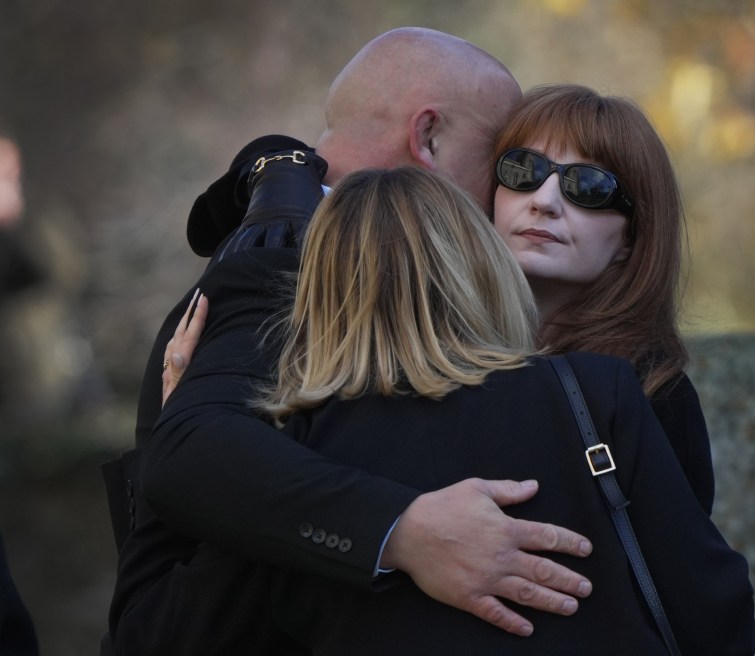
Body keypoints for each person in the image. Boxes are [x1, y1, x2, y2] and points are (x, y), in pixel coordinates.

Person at [104, 28, 593, 655]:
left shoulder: (310, 239)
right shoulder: (288, 257)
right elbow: (195, 451)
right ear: (429, 137)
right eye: (502, 158)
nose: (510, 190)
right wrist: (405, 530)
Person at [162, 167, 755, 653]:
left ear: (319, 288)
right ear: (476, 261)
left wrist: (173, 419)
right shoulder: (595, 391)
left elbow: (177, 635)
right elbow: (717, 618)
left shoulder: (283, 452)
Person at [491, 84, 716, 514]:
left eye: (589, 186)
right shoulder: (434, 356)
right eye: (524, 169)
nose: (544, 201)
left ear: (632, 238)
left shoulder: (654, 394)